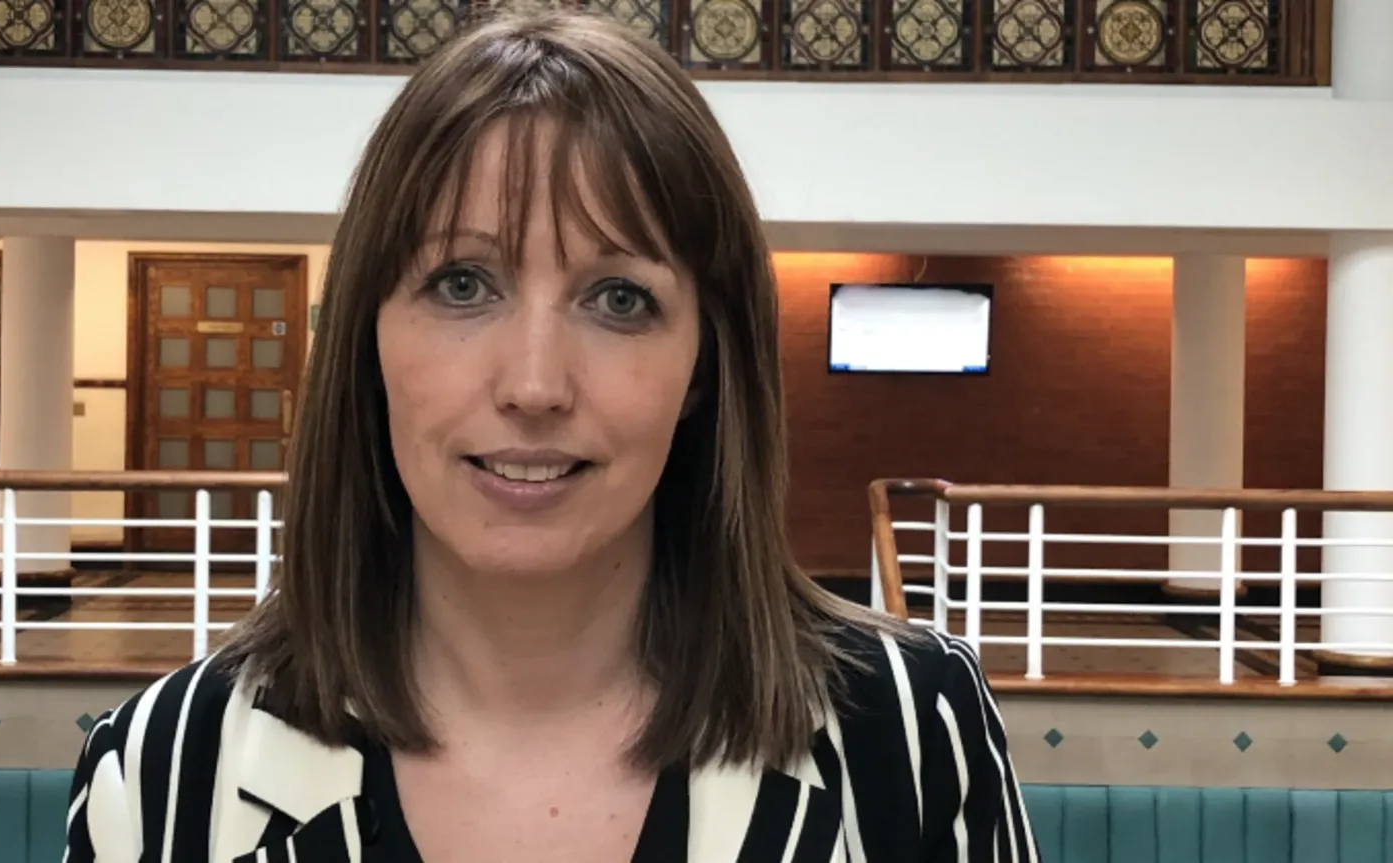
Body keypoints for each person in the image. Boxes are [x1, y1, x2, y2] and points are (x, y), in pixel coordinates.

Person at [64, 9, 1039, 862]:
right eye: (462, 284)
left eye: (618, 298)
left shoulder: (912, 729)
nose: (533, 385)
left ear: (705, 366)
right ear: (366, 337)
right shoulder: (163, 772)